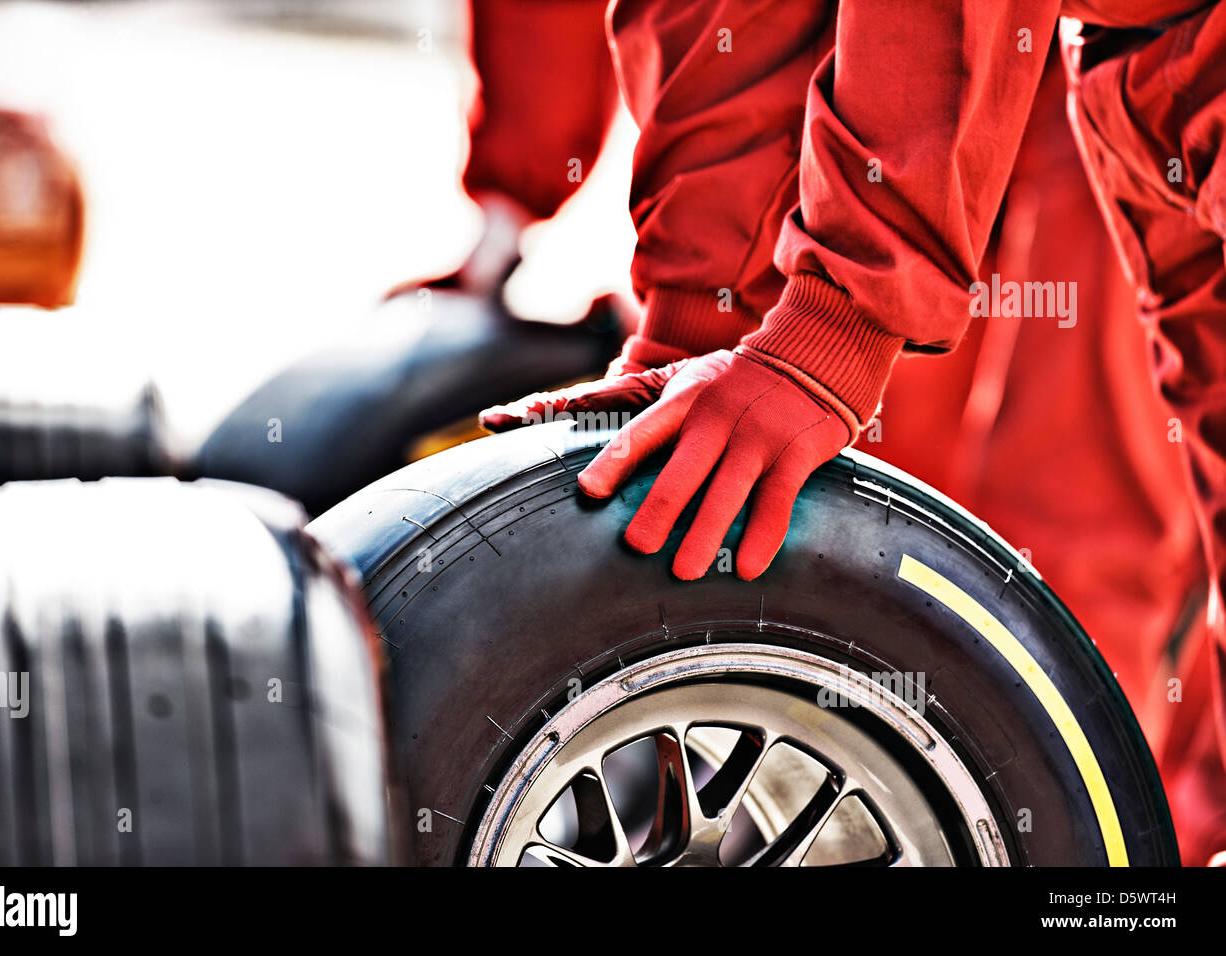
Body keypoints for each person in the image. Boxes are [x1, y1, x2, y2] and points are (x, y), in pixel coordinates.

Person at [475, 0, 1226, 862]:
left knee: (1075, 519)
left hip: (1059, 73)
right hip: (1142, 79)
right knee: (849, 512)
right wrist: (705, 314)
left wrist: (840, 318)